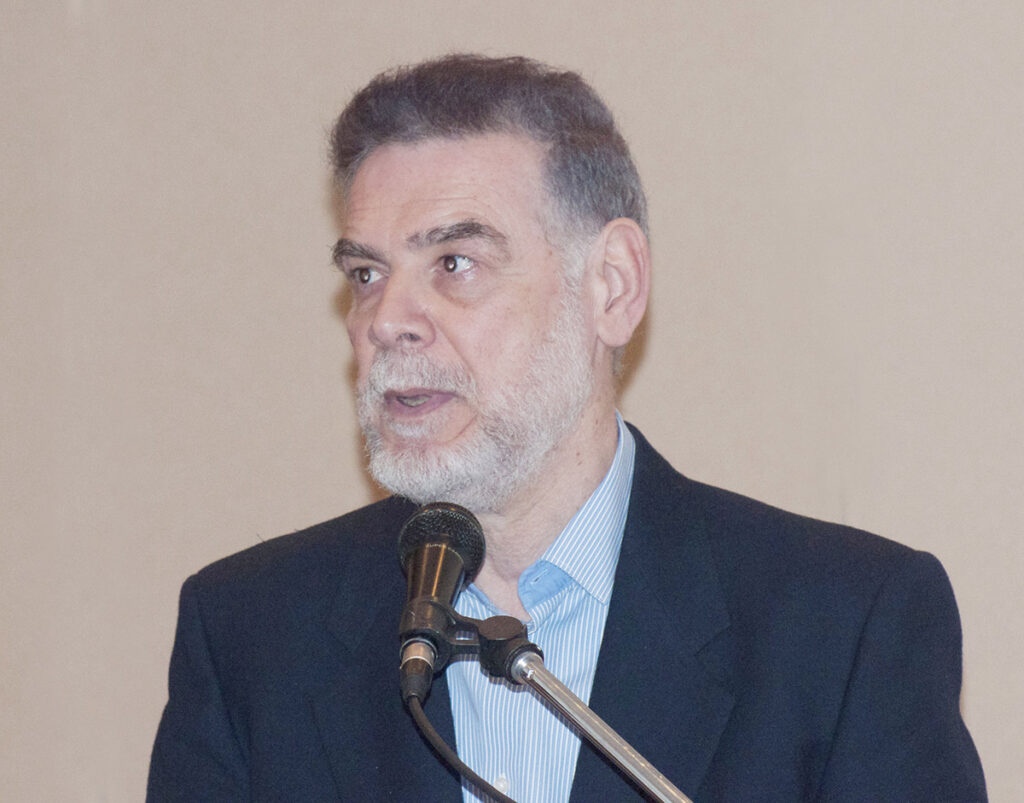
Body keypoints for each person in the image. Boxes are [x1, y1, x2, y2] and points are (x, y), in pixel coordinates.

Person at [148, 54, 985, 801]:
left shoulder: (843, 630)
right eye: (367, 273)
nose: (387, 320)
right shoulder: (251, 636)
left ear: (612, 286)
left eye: (454, 263)